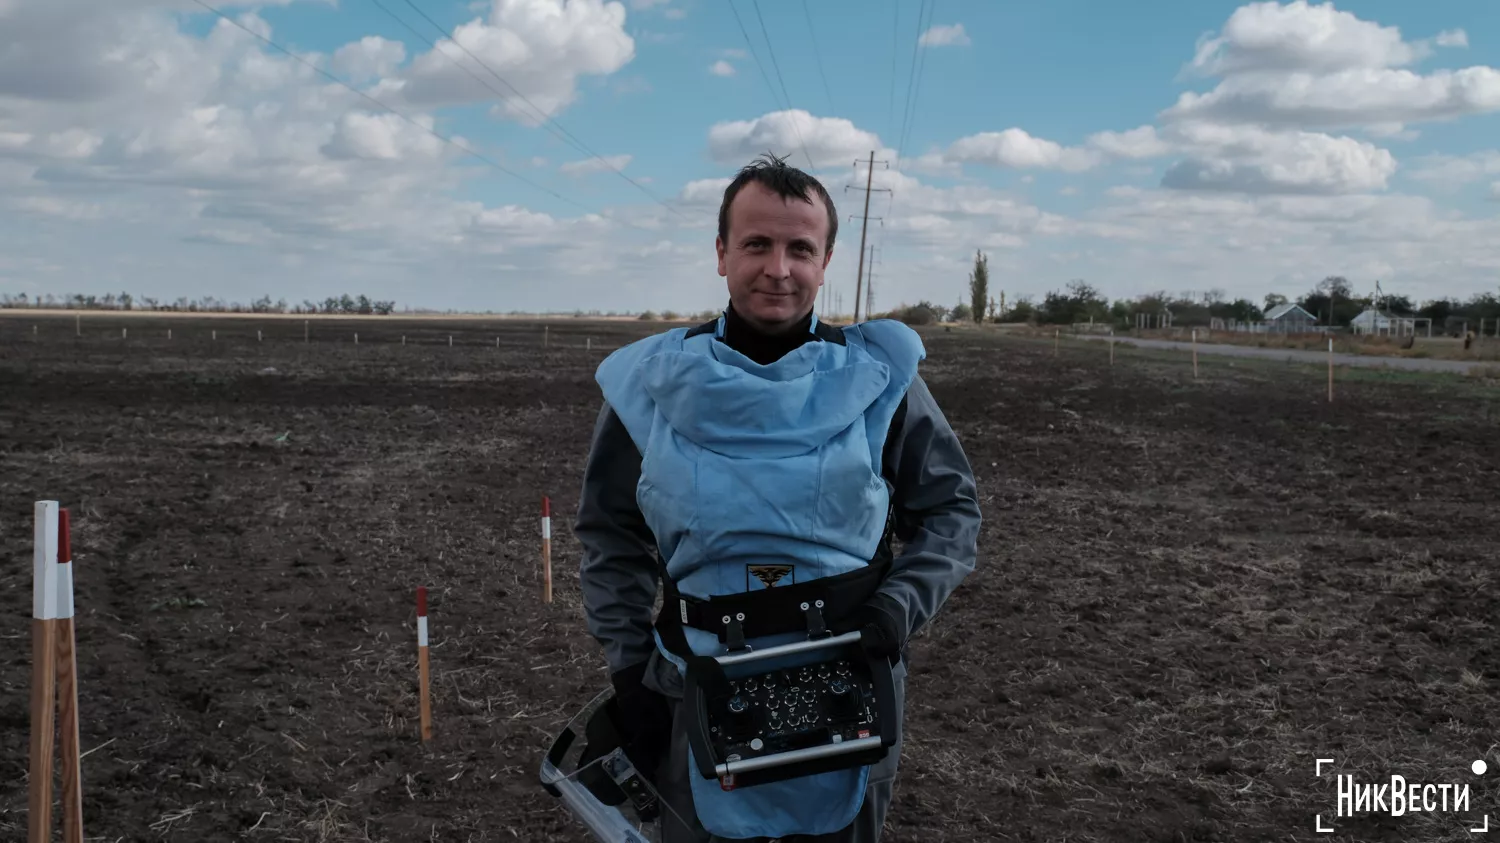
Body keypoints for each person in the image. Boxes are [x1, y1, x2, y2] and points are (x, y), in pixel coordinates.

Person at [573, 152, 980, 843]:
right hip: (696, 682)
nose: (778, 268)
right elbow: (610, 534)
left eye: (800, 248)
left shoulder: (881, 378)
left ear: (826, 261)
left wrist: (897, 608)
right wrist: (629, 666)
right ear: (722, 253)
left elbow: (951, 512)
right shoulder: (656, 383)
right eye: (757, 244)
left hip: (851, 672)